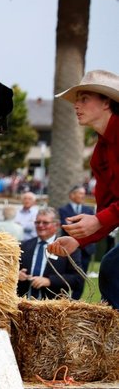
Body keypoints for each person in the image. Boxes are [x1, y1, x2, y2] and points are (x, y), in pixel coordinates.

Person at [50, 70, 119, 310]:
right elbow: (107, 209)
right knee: (112, 267)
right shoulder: (99, 153)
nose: (76, 106)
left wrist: (98, 220)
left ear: (106, 101)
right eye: (76, 100)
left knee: (112, 266)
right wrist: (80, 240)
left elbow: (104, 216)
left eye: (84, 98)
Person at [18, 208, 85, 389]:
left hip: (57, 312)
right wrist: (17, 275)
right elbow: (12, 272)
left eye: (45, 223)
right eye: (38, 222)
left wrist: (49, 281)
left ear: (55, 225)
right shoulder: (25, 246)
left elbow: (77, 279)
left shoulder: (67, 247)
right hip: (29, 310)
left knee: (62, 357)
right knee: (32, 357)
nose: (40, 226)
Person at [58, 185, 95, 272]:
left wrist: (73, 224)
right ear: (72, 195)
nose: (83, 196)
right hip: (69, 248)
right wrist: (82, 226)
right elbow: (65, 227)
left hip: (86, 249)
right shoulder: (63, 209)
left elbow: (91, 227)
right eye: (80, 193)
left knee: (83, 275)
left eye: (84, 194)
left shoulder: (89, 210)